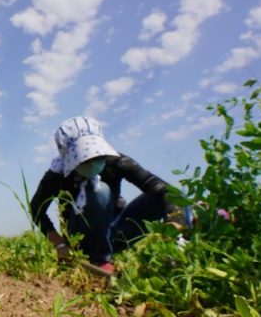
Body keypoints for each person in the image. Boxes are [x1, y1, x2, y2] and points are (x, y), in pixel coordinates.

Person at [30, 116, 181, 276]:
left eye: (97, 156)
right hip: (80, 238)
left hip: (114, 234)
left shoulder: (117, 163)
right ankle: (98, 260)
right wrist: (60, 245)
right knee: (99, 191)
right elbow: (36, 210)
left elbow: (162, 190)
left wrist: (175, 223)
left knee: (174, 196)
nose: (94, 162)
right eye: (86, 159)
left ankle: (182, 252)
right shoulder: (57, 175)